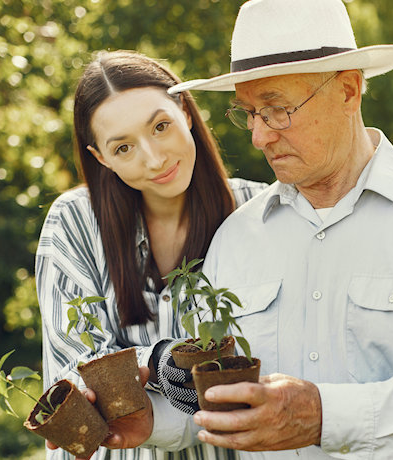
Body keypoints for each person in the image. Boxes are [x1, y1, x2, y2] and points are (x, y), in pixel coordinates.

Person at [127, 0, 393, 459]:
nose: (259, 136)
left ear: (349, 91)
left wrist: (323, 415)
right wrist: (148, 419)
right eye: (249, 113)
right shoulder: (236, 238)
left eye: (276, 109)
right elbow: (220, 404)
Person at [35, 50, 268, 460]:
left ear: (186, 111)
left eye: (160, 126)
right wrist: (159, 361)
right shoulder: (73, 223)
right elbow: (74, 373)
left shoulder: (261, 212)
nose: (154, 158)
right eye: (123, 148)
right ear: (101, 158)